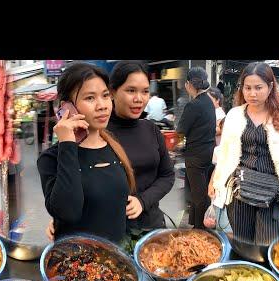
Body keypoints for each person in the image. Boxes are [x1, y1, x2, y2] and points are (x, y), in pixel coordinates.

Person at [37, 62, 136, 244]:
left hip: (117, 262)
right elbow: (68, 212)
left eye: (105, 96)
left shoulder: (114, 146)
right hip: (76, 266)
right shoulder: (51, 158)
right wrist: (67, 142)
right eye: (90, 98)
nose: (102, 105)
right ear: (67, 107)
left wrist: (139, 202)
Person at [209, 62, 279, 246]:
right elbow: (224, 153)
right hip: (240, 193)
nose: (252, 93)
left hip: (272, 196)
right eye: (247, 88)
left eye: (258, 88)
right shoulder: (234, 115)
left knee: (268, 248)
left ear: (270, 87)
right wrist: (214, 180)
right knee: (243, 246)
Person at [108, 61, 175, 233]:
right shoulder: (98, 133)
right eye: (131, 90)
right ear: (112, 92)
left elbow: (167, 175)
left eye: (145, 91)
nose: (139, 99)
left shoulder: (151, 129)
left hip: (152, 227)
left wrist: (142, 201)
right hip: (112, 233)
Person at [177, 67, 217, 228]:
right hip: (208, 152)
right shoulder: (208, 101)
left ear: (188, 84)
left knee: (198, 194)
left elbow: (180, 130)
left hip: (195, 156)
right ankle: (196, 222)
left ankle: (201, 229)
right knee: (199, 191)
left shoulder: (193, 105)